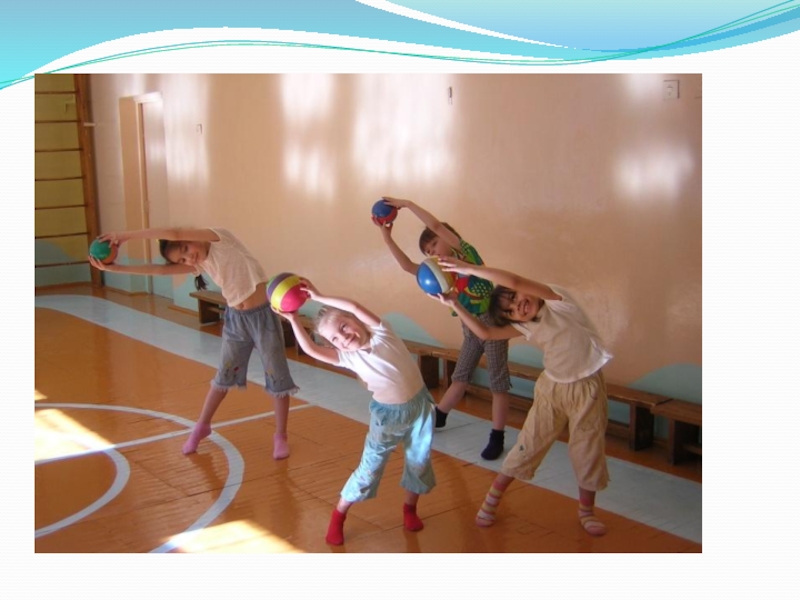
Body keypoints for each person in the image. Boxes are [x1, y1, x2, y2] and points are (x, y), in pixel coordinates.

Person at [431, 257, 613, 536]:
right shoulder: (526, 324)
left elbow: (514, 281)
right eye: (512, 310)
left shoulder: (558, 301)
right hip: (551, 390)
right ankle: (492, 498)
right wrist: (455, 304)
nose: (519, 306)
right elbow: (486, 333)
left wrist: (470, 269)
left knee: (588, 450)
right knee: (529, 444)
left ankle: (586, 511)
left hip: (587, 388)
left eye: (516, 298)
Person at [88, 227, 298, 460]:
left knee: (277, 377)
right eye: (182, 259)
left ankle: (280, 435)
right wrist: (116, 269)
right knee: (223, 377)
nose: (189, 258)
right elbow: (160, 270)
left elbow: (176, 233)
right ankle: (202, 426)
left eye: (186, 249)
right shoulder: (201, 263)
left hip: (263, 318)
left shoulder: (221, 239)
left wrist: (126, 236)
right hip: (236, 321)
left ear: (192, 238)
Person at [278, 279, 436, 546]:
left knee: (419, 464)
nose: (343, 336)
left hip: (420, 408)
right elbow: (311, 349)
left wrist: (319, 296)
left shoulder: (384, 334)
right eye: (335, 338)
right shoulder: (348, 358)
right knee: (369, 470)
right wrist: (293, 319)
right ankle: (339, 515)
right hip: (387, 417)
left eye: (344, 326)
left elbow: (353, 305)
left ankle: (409, 509)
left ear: (356, 320)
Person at [375, 196, 512, 460]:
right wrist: (387, 237)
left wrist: (408, 204)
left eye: (434, 245)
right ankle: (439, 416)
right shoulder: (441, 273)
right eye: (428, 252)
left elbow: (436, 226)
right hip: (469, 325)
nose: (433, 253)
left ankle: (497, 435)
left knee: (498, 382)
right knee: (460, 375)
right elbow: (407, 266)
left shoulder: (466, 255)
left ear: (449, 238)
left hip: (492, 322)